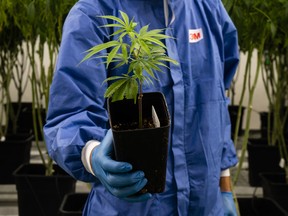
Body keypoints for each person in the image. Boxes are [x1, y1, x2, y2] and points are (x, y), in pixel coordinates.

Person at [44, 0, 239, 215]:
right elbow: (69, 115)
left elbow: (217, 103)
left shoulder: (208, 7)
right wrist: (91, 154)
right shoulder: (93, 12)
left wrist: (224, 185)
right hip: (131, 207)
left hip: (206, 206)